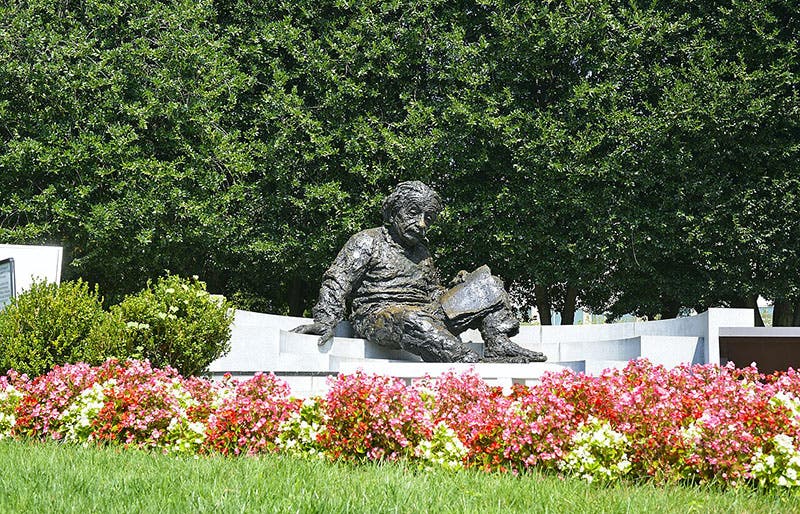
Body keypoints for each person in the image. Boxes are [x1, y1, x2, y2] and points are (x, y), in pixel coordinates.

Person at [291, 181, 546, 363]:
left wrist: (456, 288)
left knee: (488, 283)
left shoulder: (422, 251)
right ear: (393, 213)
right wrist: (325, 320)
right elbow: (337, 282)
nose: (422, 223)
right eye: (414, 213)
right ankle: (466, 361)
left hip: (427, 312)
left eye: (429, 218)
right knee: (412, 320)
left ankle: (498, 344)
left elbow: (433, 292)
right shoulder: (367, 241)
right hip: (379, 316)